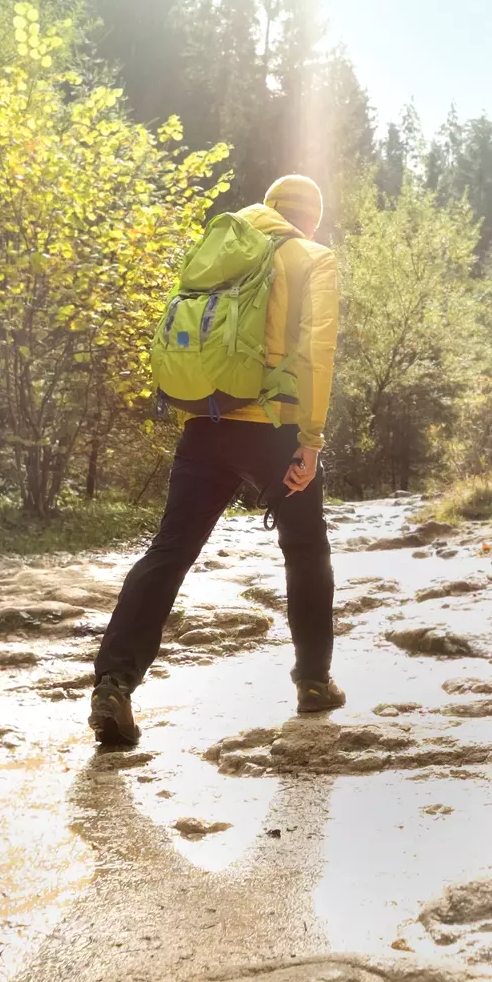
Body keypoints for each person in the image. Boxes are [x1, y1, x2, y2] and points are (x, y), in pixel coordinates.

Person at [88, 174, 343, 748]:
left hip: (205, 422)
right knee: (305, 550)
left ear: (269, 208)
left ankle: (113, 683)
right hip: (275, 428)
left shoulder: (221, 248)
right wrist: (312, 439)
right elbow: (317, 348)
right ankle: (313, 682)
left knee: (169, 552)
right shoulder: (312, 257)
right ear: (310, 218)